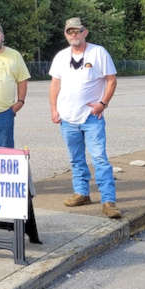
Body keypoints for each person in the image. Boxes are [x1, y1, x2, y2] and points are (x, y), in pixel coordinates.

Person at [49, 17, 120, 219]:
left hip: (91, 117)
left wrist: (103, 103)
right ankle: (81, 193)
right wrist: (54, 110)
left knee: (99, 158)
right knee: (76, 159)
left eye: (77, 31)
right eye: (70, 32)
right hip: (67, 118)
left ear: (85, 32)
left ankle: (108, 201)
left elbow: (111, 80)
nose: (74, 35)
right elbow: (55, 84)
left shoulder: (98, 52)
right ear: (66, 34)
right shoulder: (61, 57)